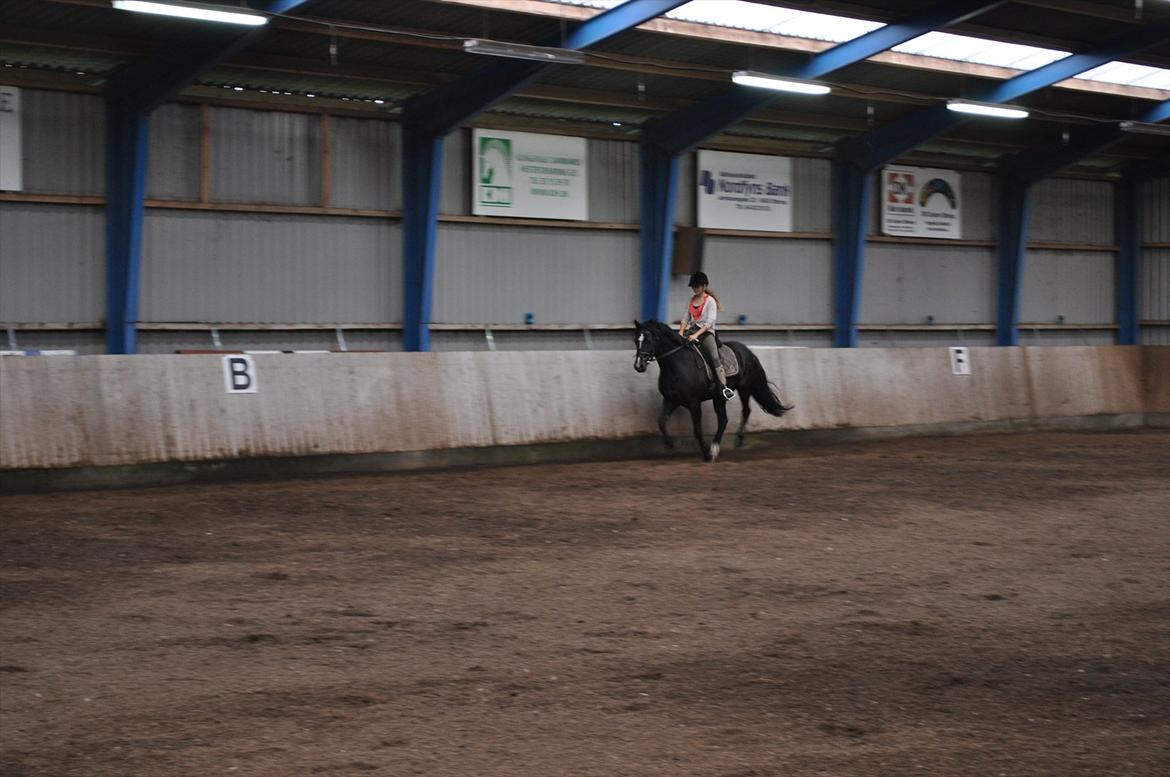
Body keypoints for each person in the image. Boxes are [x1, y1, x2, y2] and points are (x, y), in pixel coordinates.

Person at [679, 271, 736, 400]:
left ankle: (723, 387)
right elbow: (686, 318)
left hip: (706, 333)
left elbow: (709, 323)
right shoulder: (691, 300)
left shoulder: (710, 301)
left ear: (704, 286)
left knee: (714, 356)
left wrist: (696, 335)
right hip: (692, 331)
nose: (695, 289)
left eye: (697, 286)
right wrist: (681, 332)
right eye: (693, 287)